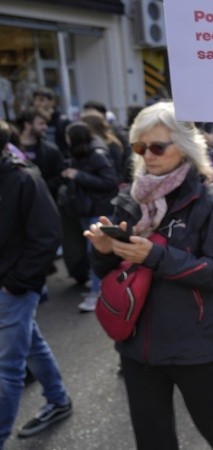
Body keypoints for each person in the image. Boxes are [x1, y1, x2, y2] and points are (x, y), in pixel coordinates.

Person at [83, 102, 213, 450]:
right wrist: (103, 251)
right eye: (140, 147)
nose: (147, 155)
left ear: (183, 146)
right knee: (152, 440)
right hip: (138, 344)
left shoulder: (212, 199)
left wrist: (154, 255)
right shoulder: (131, 196)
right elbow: (108, 270)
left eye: (157, 146)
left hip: (194, 342)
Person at [0, 120, 73, 447]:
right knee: (30, 343)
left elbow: (47, 236)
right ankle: (58, 400)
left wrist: (14, 284)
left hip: (13, 286)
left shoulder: (22, 178)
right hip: (11, 286)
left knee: (6, 369)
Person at [60, 122, 118, 312]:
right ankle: (98, 289)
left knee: (96, 253)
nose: (66, 139)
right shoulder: (81, 153)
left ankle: (98, 293)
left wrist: (78, 175)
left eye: (68, 135)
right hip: (87, 210)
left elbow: (110, 181)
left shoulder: (97, 154)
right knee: (93, 252)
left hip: (98, 210)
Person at [17, 107, 64, 199]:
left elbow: (60, 176)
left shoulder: (51, 150)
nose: (45, 127)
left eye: (45, 124)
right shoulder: (11, 150)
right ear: (27, 125)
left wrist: (42, 187)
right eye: (41, 124)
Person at [31, 88, 70, 156]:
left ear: (51, 102)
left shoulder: (61, 120)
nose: (37, 103)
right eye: (35, 100)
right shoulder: (31, 120)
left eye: (41, 100)